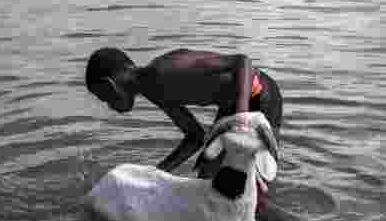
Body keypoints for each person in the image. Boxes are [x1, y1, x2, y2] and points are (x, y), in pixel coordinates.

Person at [84, 48, 283, 204]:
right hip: (231, 108)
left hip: (260, 97)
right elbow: (194, 137)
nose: (109, 106)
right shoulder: (154, 91)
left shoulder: (163, 71)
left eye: (104, 99)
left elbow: (242, 62)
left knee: (255, 185)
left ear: (109, 85)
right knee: (208, 180)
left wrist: (242, 119)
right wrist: (155, 174)